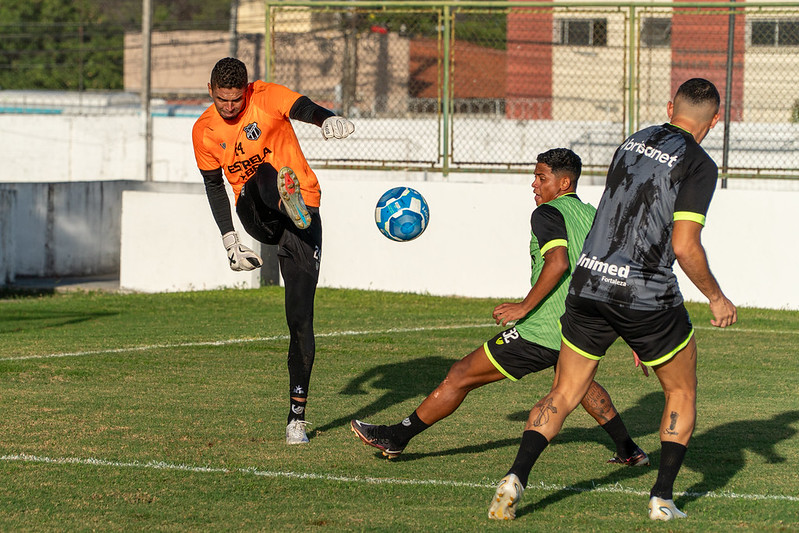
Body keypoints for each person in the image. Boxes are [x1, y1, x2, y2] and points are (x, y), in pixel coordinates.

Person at [488, 79, 737, 521]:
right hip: (645, 292)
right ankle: (661, 499)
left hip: (589, 283)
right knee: (680, 389)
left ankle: (514, 478)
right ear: (715, 121)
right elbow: (684, 246)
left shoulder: (633, 141)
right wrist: (716, 298)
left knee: (565, 391)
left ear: (669, 107)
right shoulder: (699, 163)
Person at [350, 148, 648, 469]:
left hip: (544, 329)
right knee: (577, 384)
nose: (534, 184)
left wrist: (524, 307)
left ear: (563, 183)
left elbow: (557, 262)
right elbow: (620, 273)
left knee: (460, 375)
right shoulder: (596, 218)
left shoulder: (547, 214)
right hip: (583, 330)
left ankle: (397, 435)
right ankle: (629, 449)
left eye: (541, 177)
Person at [191, 57, 354, 445]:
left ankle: (296, 418)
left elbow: (302, 107)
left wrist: (326, 119)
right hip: (257, 214)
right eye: (221, 100)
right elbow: (215, 186)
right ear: (210, 91)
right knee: (262, 174)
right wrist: (230, 240)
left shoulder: (266, 97)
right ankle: (285, 203)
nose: (228, 108)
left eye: (235, 100)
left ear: (247, 90)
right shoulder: (204, 131)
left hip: (304, 215)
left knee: (299, 320)